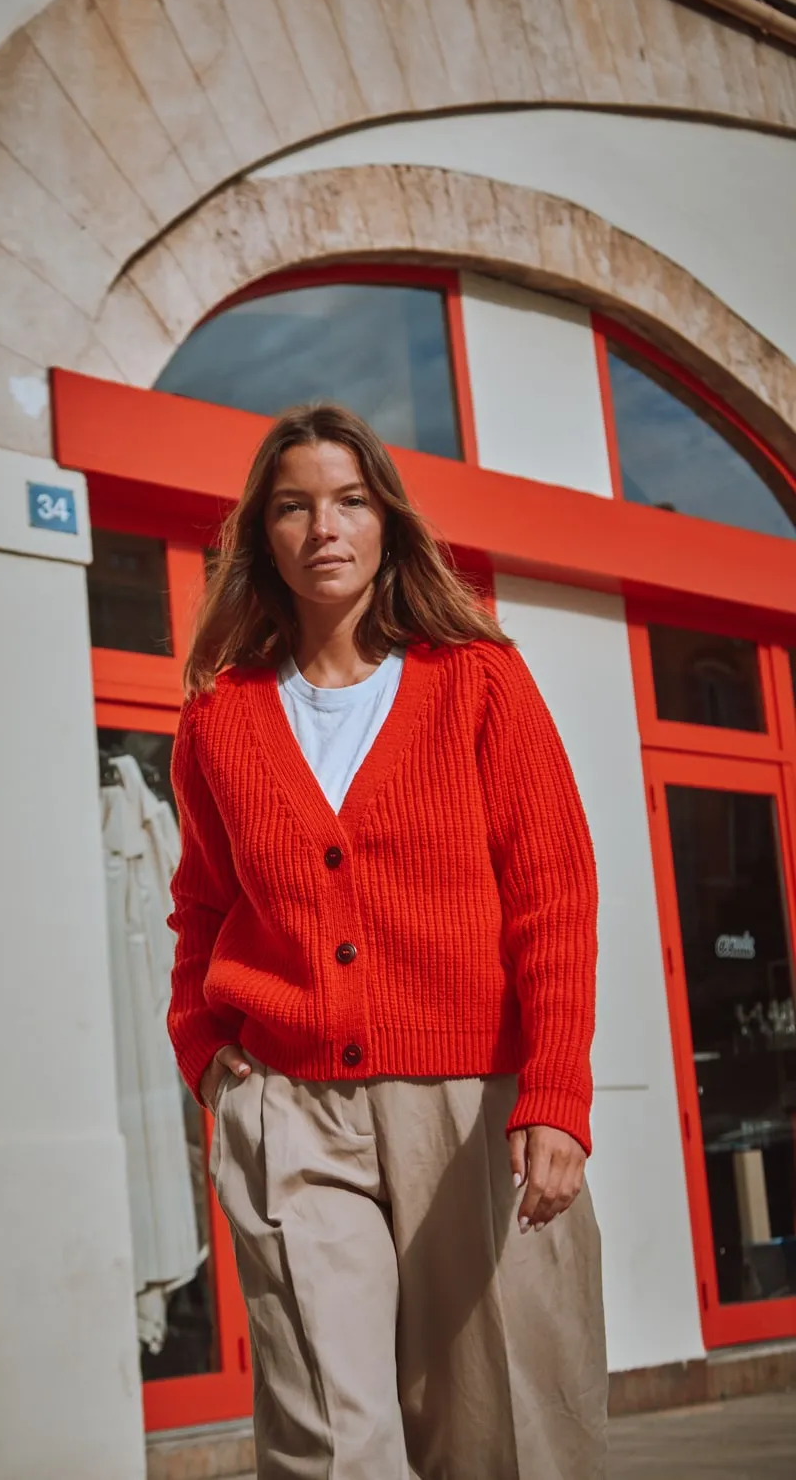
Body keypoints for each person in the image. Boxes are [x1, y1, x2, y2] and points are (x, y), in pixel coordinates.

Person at [166, 403, 607, 1480]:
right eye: (294, 505)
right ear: (262, 536)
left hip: (474, 1106)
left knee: (504, 1429)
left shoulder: (477, 678)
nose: (325, 526)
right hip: (291, 1105)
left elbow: (550, 892)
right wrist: (213, 1068)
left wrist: (554, 1090)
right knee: (328, 1437)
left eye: (350, 500)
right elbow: (201, 913)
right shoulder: (218, 716)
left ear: (386, 525)